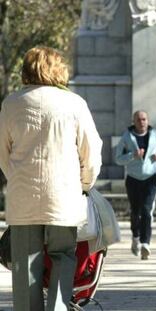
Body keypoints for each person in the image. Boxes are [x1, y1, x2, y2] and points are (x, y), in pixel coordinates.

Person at [0, 46, 102, 310]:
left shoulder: (11, 104)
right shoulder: (75, 103)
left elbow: (2, 153)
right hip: (64, 194)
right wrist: (85, 184)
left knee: (25, 262)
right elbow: (91, 152)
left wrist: (17, 176)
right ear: (59, 69)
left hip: (24, 195)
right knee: (63, 256)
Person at [115, 110, 156, 259]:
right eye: (138, 120)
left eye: (144, 119)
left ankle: (145, 244)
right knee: (135, 211)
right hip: (133, 178)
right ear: (134, 121)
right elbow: (118, 158)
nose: (141, 122)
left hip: (150, 178)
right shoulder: (126, 137)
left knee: (147, 210)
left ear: (147, 121)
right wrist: (132, 156)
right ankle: (135, 237)